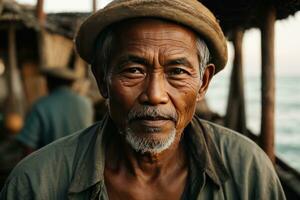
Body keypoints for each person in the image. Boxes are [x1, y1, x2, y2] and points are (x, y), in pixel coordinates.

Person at [1, 0, 285, 199]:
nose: (155, 95)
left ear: (203, 83)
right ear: (102, 80)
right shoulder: (35, 184)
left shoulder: (249, 172)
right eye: (134, 70)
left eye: (177, 72)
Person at [15, 67, 93, 154]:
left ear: (49, 83)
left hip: (52, 165)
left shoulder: (41, 105)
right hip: (82, 162)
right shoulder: (86, 103)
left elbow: (28, 145)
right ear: (71, 83)